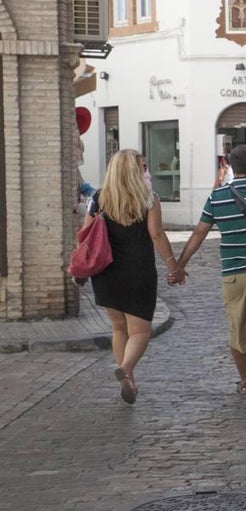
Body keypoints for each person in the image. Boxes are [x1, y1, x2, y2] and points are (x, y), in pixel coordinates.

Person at [173, 144, 246, 405]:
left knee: (237, 328)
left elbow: (199, 233)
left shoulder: (218, 196)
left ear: (231, 167)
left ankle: (245, 382)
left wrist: (179, 265)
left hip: (232, 274)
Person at [82, 149, 185, 404]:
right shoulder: (149, 198)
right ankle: (126, 370)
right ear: (134, 170)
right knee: (140, 332)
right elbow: (157, 234)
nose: (145, 170)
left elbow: (85, 232)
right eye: (142, 166)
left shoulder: (98, 198)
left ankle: (129, 379)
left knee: (118, 327)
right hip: (138, 271)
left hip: (106, 272)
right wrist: (173, 266)